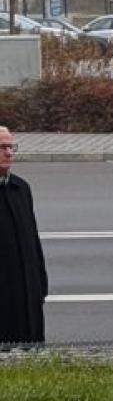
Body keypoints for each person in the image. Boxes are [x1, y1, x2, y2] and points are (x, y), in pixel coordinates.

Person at [0, 128, 47, 344]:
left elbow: (32, 241)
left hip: (28, 296)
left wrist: (40, 285)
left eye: (11, 147)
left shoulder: (21, 188)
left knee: (31, 352)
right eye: (2, 147)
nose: (9, 153)